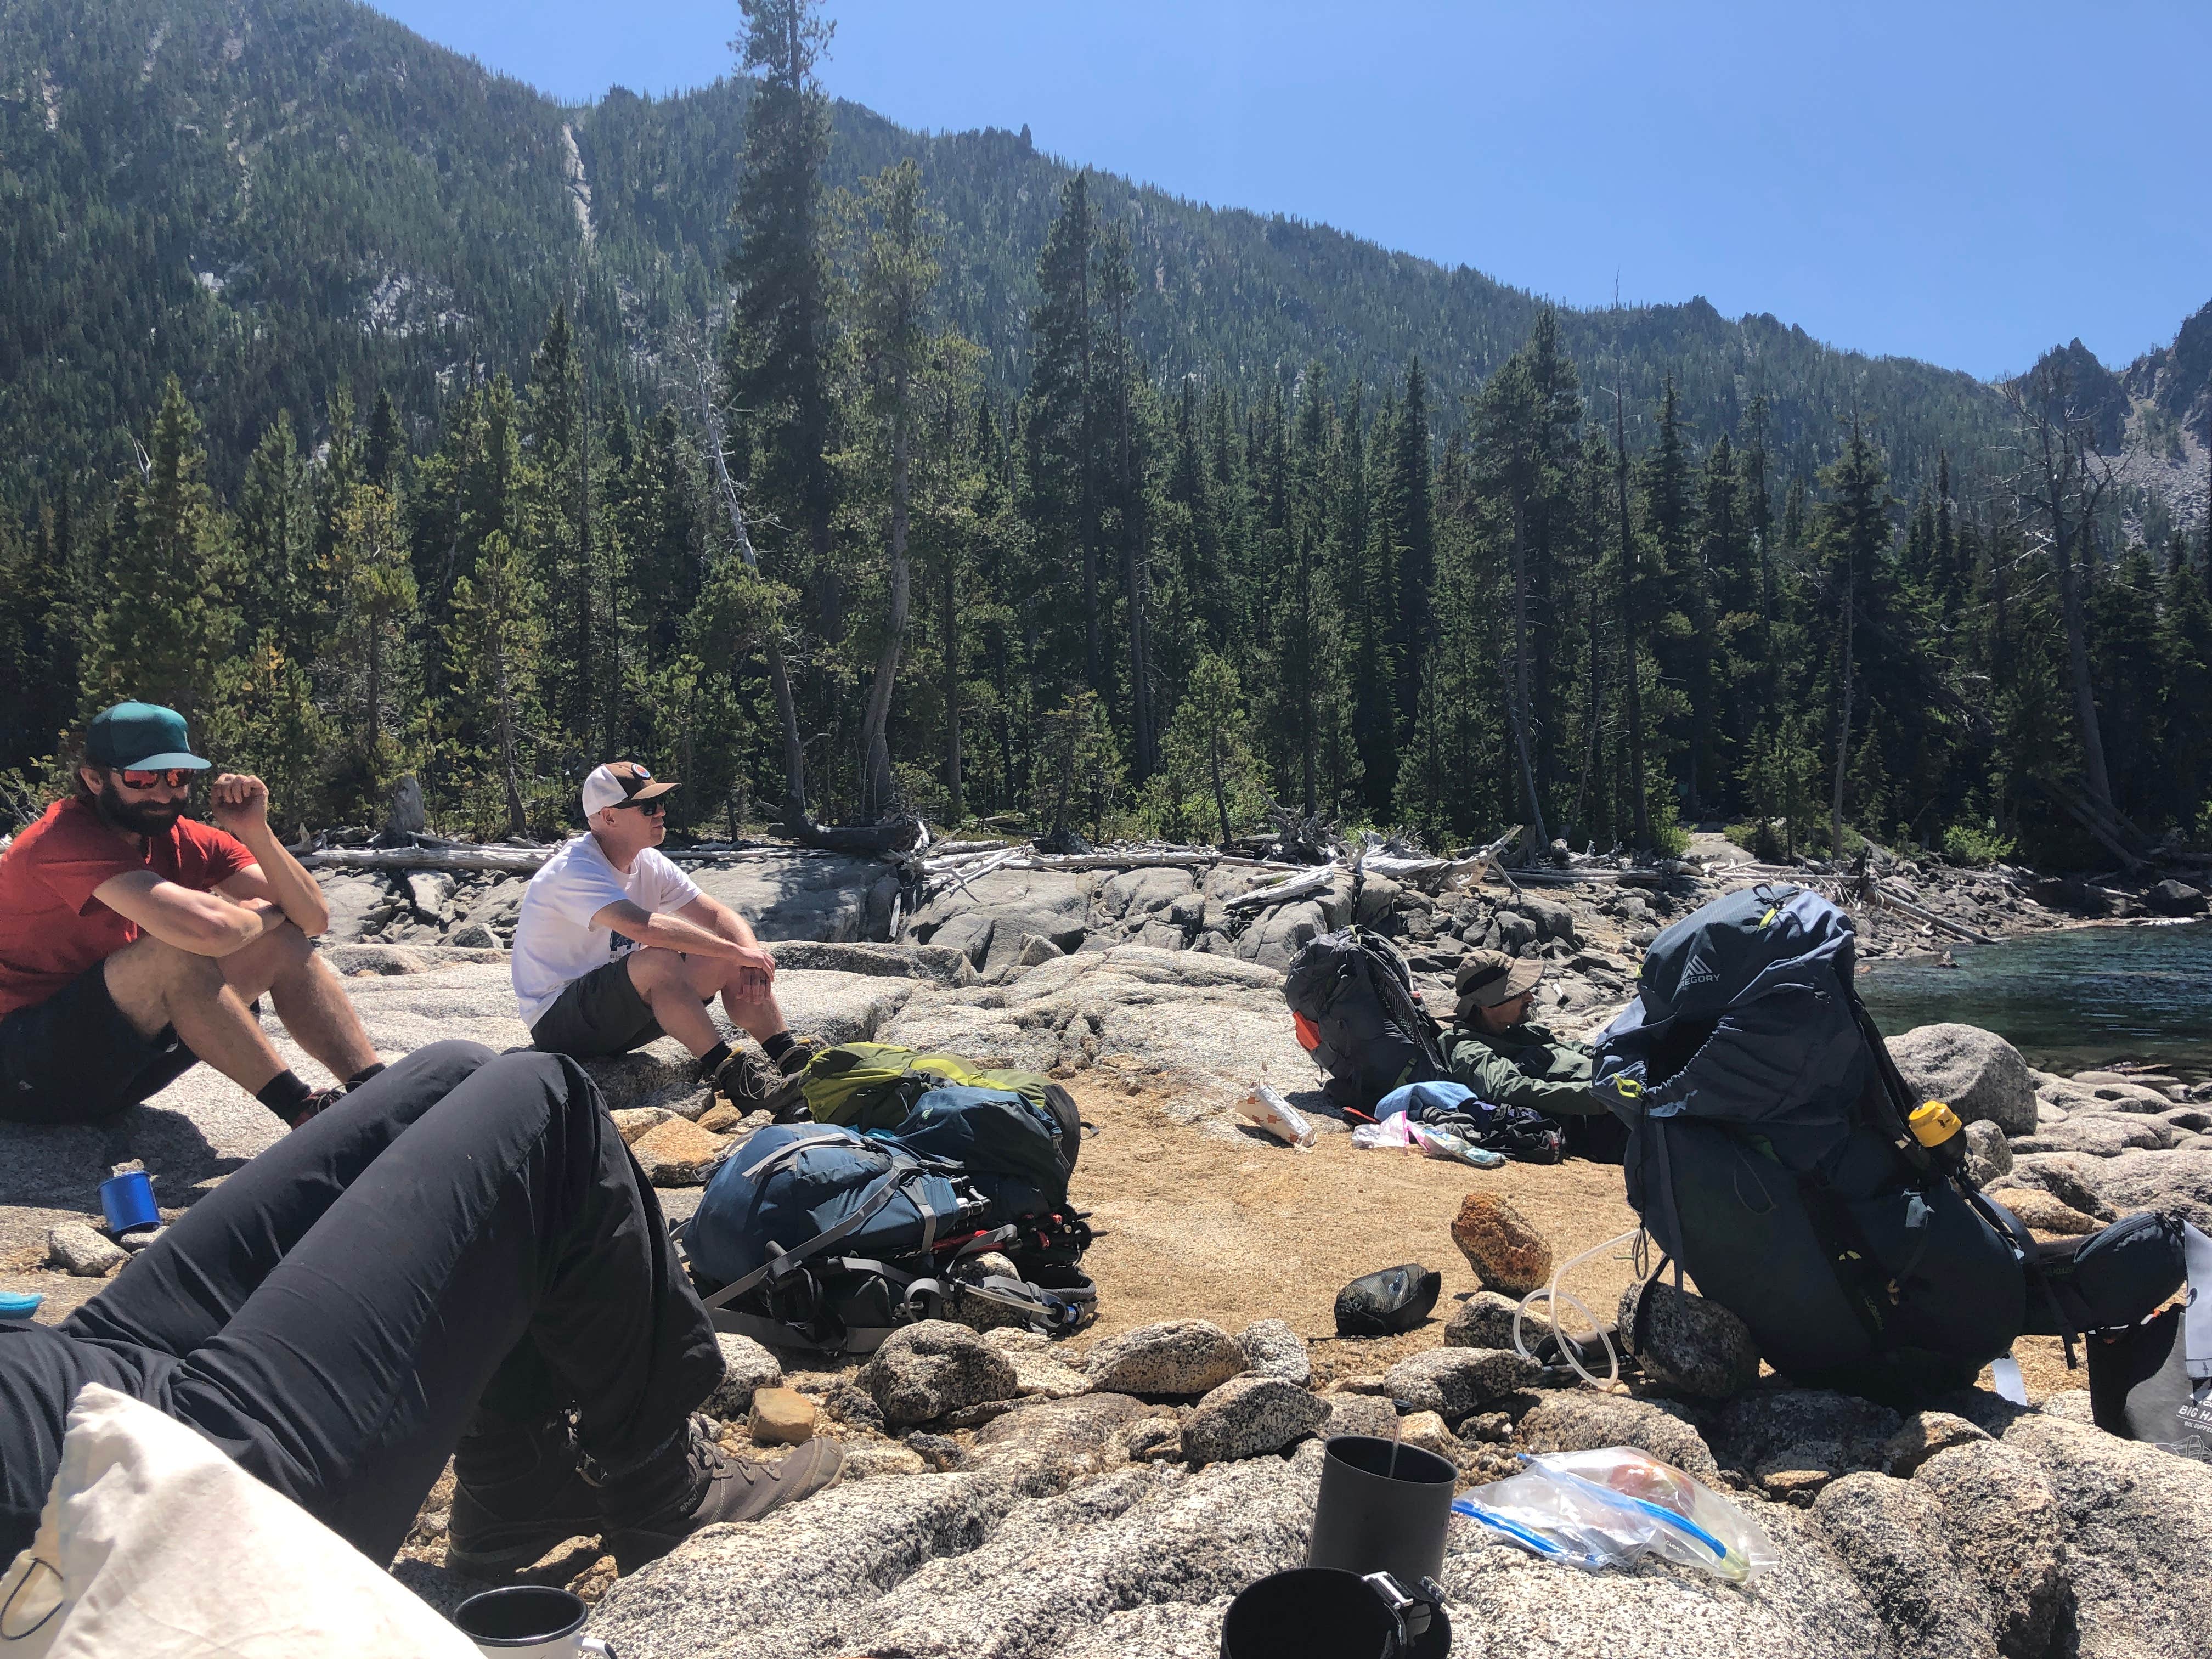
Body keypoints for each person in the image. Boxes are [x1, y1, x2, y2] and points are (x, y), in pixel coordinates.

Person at [0, 1041, 843, 1575]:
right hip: (136, 1490)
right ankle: (659, 1483)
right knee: (548, 1101)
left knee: (449, 1077)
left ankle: (518, 1483)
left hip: (66, 1374)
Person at [0, 701, 383, 1130]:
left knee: (282, 942)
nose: (164, 794)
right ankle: (302, 1111)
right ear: (94, 779)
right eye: (142, 778)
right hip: (24, 1070)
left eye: (178, 776)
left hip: (121, 1065)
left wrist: (254, 831)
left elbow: (313, 918)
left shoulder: (184, 838)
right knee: (174, 950)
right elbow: (210, 931)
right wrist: (265, 916)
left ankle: (378, 1091)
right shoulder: (60, 841)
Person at [511, 761, 812, 1103]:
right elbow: (643, 927)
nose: (661, 812)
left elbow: (716, 914)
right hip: (560, 1022)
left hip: (621, 1015)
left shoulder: (648, 862)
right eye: (648, 807)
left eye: (660, 803)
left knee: (725, 953)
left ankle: (792, 1060)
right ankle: (735, 1078)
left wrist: (748, 957)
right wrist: (735, 951)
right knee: (663, 960)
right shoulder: (573, 870)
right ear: (609, 816)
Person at [1441, 949, 1625, 1159]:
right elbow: (1509, 1089)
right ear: (1487, 1005)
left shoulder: (1516, 1031)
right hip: (1596, 1120)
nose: (1530, 997)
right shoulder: (1468, 1049)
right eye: (1518, 993)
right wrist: (1600, 1097)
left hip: (1613, 1091)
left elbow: (1566, 1048)